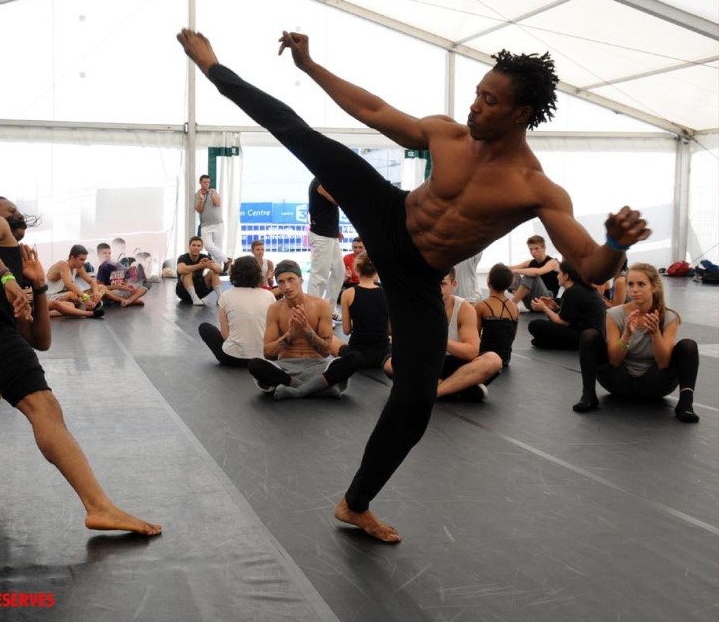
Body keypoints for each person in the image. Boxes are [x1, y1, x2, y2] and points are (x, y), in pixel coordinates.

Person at [176, 28, 649, 542]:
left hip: (418, 275)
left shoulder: (535, 188)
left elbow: (591, 266)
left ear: (521, 113)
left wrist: (615, 243)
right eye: (477, 93)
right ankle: (214, 68)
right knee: (302, 136)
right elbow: (374, 110)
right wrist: (310, 66)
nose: (475, 106)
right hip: (389, 214)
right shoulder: (450, 135)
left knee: (416, 401)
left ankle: (355, 504)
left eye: (490, 101)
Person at [0, 196, 162, 536]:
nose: (17, 215)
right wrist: (7, 279)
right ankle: (99, 507)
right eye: (9, 210)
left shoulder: (21, 261)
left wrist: (38, 285)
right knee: (45, 409)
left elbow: (39, 341)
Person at [573, 263, 698, 422]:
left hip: (655, 384)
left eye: (641, 284)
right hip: (619, 381)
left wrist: (655, 334)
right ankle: (588, 395)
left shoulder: (669, 318)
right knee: (589, 336)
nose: (634, 289)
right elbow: (614, 361)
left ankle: (686, 404)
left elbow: (664, 363)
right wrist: (626, 335)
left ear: (654, 287)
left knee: (688, 346)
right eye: (630, 284)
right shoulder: (614, 314)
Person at [247, 260, 362, 399]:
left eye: (291, 280)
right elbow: (268, 353)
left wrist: (307, 329)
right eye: (281, 282)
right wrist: (289, 335)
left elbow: (325, 351)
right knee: (254, 365)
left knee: (355, 358)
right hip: (286, 368)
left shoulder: (321, 306)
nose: (287, 286)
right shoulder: (275, 309)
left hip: (317, 367)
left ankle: (298, 390)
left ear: (301, 281)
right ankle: (317, 388)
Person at [384, 268, 502, 401]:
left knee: (493, 360)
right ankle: (460, 389)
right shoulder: (416, 306)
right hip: (426, 364)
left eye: (442, 284)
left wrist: (439, 340)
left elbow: (472, 352)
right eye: (432, 283)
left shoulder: (464, 308)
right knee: (390, 364)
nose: (436, 288)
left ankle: (434, 392)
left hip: (457, 364)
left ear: (454, 285)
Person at [198, 255, 275, 367]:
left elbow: (225, 334)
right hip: (262, 357)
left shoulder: (226, 296)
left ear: (234, 273)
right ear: (258, 273)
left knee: (204, 327)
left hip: (232, 358)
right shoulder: (269, 296)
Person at [529, 260, 606, 349]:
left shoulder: (573, 292)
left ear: (566, 276)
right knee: (544, 331)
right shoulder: (581, 289)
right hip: (592, 336)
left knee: (535, 325)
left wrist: (544, 308)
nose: (557, 276)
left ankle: (551, 342)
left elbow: (563, 322)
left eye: (559, 273)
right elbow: (573, 316)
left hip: (582, 337)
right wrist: (554, 308)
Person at [330, 252, 389, 368]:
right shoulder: (387, 293)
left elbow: (346, 330)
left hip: (357, 355)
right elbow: (390, 330)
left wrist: (360, 322)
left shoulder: (348, 294)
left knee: (330, 339)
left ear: (356, 270)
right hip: (383, 355)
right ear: (376, 271)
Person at [307, 178, 345, 319]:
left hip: (330, 235)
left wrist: (336, 231)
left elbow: (327, 210)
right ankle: (313, 313)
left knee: (339, 272)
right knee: (319, 276)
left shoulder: (325, 181)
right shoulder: (319, 183)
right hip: (321, 236)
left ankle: (328, 309)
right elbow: (337, 199)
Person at [476, 263, 519, 367]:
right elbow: (512, 337)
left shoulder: (481, 306)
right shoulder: (515, 308)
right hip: (505, 358)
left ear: (488, 280)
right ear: (509, 283)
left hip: (484, 357)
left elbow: (475, 336)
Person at [45, 244, 105, 318]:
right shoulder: (63, 265)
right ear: (72, 258)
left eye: (85, 260)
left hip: (65, 295)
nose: (84, 262)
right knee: (71, 301)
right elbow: (69, 285)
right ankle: (46, 313)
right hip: (51, 297)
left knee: (101, 287)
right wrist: (85, 297)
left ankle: (90, 305)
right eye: (81, 259)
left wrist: (96, 292)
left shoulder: (78, 267)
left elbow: (91, 281)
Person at [509, 235, 560, 309]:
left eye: (536, 248)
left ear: (544, 248)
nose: (533, 252)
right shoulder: (530, 262)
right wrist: (498, 267)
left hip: (548, 300)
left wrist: (516, 271)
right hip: (532, 300)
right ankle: (519, 302)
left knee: (531, 275)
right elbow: (511, 268)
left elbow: (538, 272)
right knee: (513, 274)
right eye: (531, 249)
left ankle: (511, 305)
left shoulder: (553, 262)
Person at [195, 174, 229, 274]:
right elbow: (198, 210)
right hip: (205, 224)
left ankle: (218, 271)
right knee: (207, 245)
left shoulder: (213, 191)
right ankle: (227, 260)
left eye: (208, 182)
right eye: (204, 182)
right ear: (200, 182)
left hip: (218, 223)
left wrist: (211, 194)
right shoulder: (197, 195)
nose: (206, 184)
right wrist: (201, 199)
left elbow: (218, 203)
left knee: (218, 247)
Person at [95, 242, 149, 307]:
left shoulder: (116, 264)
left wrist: (127, 286)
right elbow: (99, 287)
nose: (107, 255)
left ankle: (128, 300)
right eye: (104, 253)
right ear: (98, 254)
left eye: (109, 253)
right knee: (103, 291)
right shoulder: (102, 267)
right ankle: (130, 300)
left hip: (120, 292)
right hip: (111, 293)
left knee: (144, 288)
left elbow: (125, 277)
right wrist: (118, 287)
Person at [176, 236, 222, 306]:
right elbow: (181, 270)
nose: (196, 247)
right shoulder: (183, 258)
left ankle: (220, 298)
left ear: (201, 248)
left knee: (213, 272)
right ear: (189, 246)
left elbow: (220, 270)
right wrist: (200, 266)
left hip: (199, 292)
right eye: (194, 245)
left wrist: (210, 265)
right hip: (184, 292)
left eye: (198, 246)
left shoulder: (204, 257)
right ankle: (194, 298)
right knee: (187, 272)